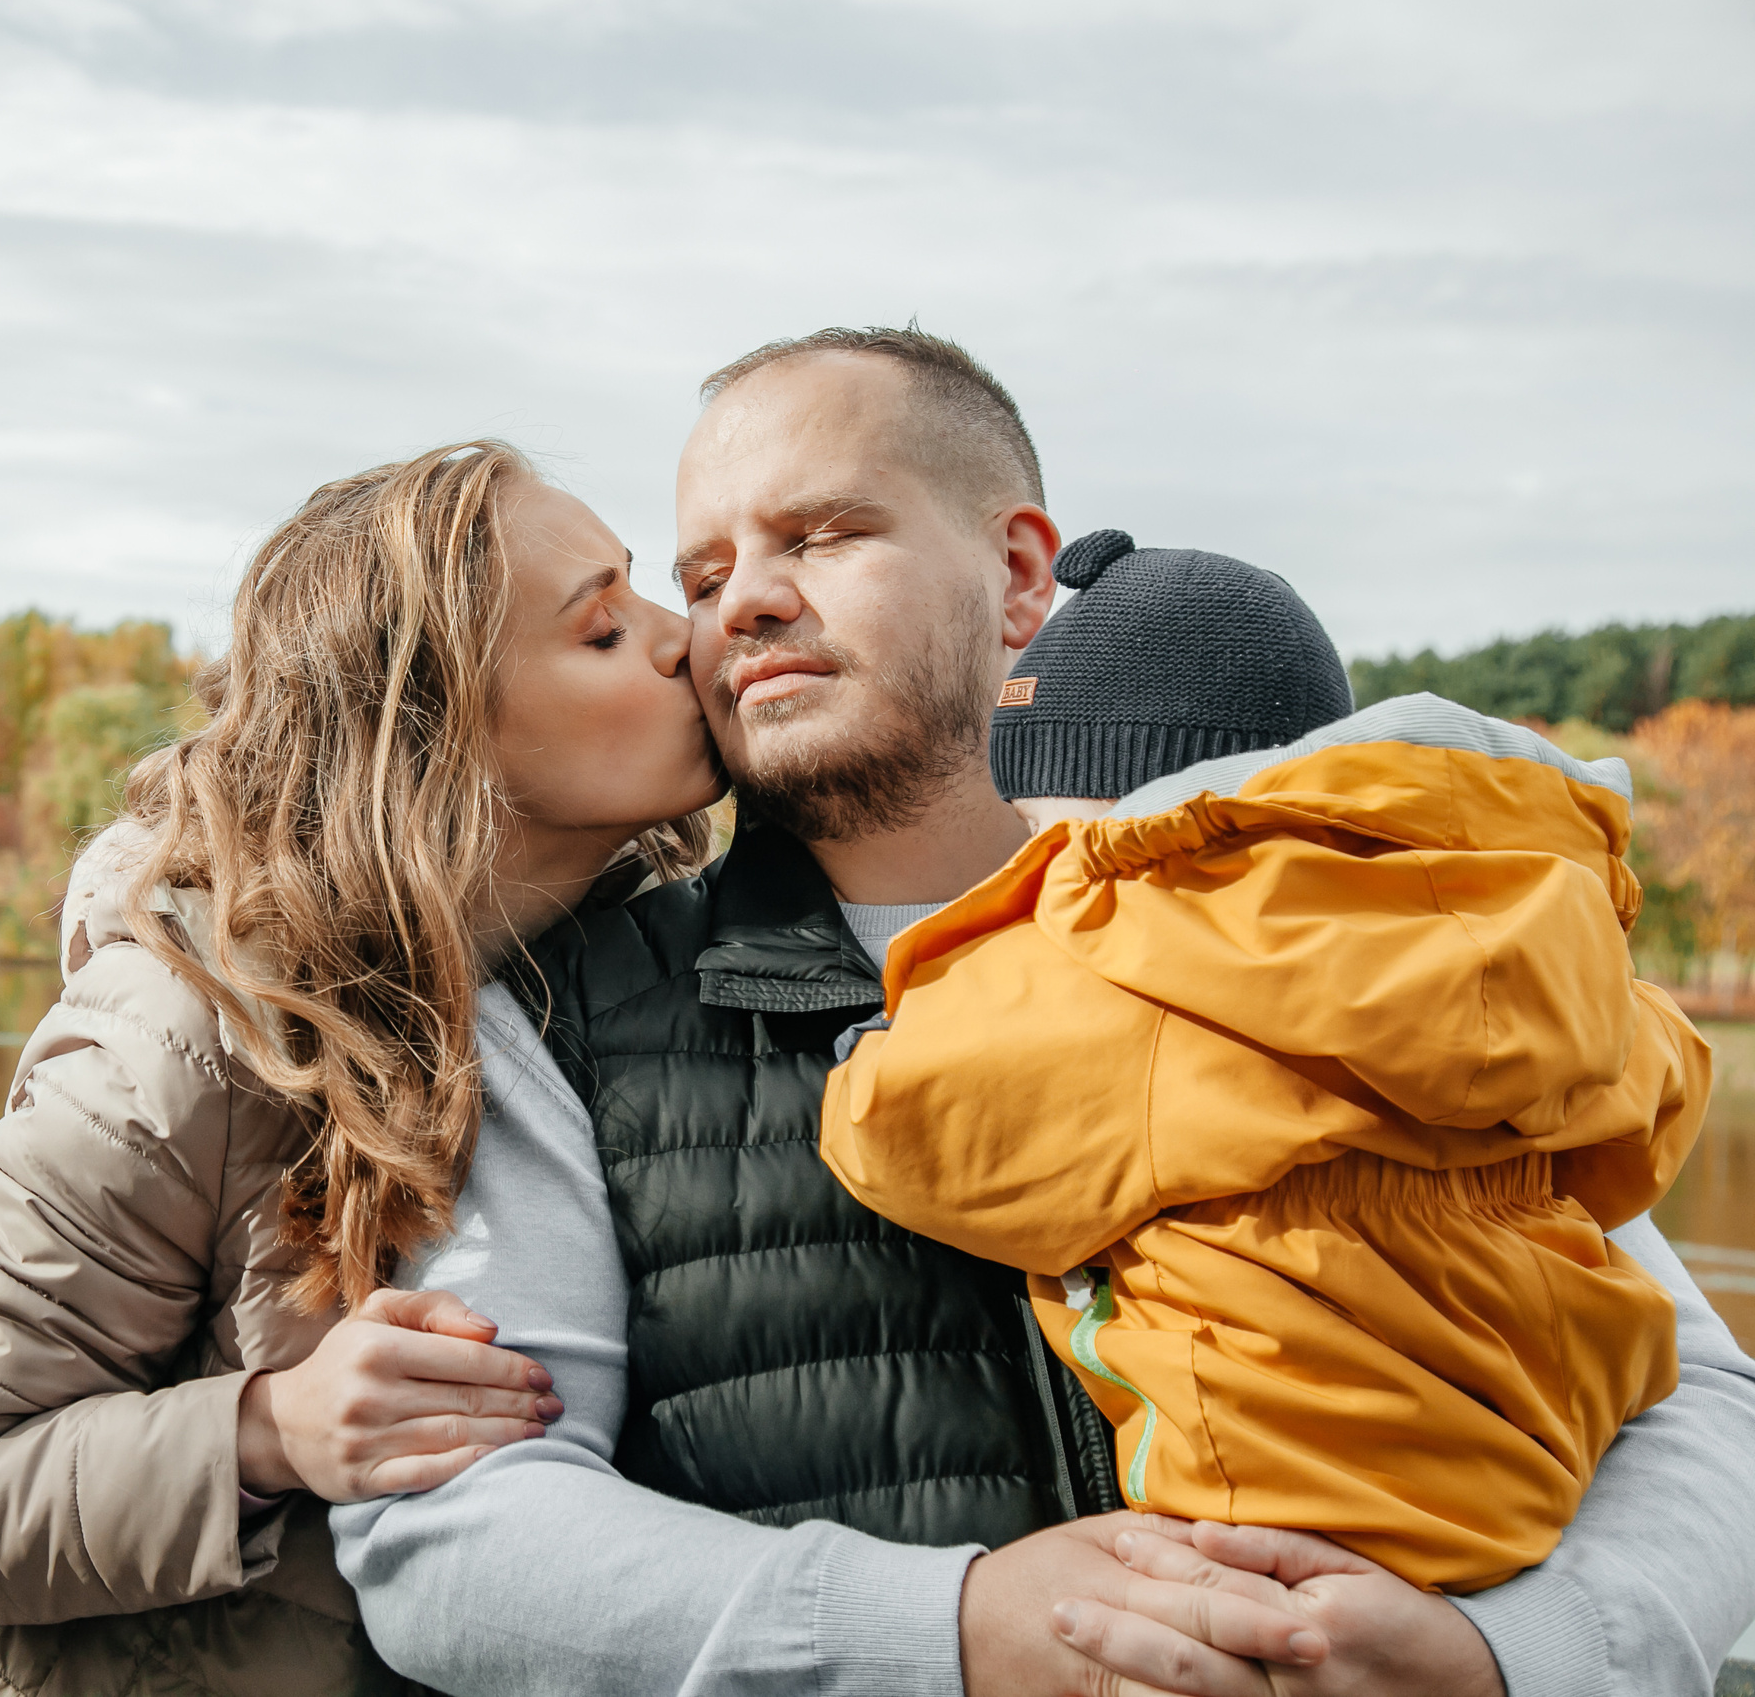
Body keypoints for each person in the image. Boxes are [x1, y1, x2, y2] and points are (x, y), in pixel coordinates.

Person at [332, 327, 1755, 1695]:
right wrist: (952, 1632)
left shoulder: (1348, 927)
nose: (740, 603)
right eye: (702, 574)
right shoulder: (560, 1017)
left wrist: (1519, 1661)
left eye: (819, 535)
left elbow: (1703, 1404)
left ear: (1020, 572)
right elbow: (452, 1539)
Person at [0, 439, 723, 1695]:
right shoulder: (172, 1041)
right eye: (600, 631)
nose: (680, 634)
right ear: (432, 737)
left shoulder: (624, 989)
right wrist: (271, 1433)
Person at [820, 531, 1710, 1594]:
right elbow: (1653, 1118)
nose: (1030, 848)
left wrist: (868, 1042)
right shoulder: (1555, 937)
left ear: (1115, 803)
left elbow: (904, 1129)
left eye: (1038, 819)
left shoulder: (1134, 962)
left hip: (1279, 1493)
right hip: (1539, 1463)